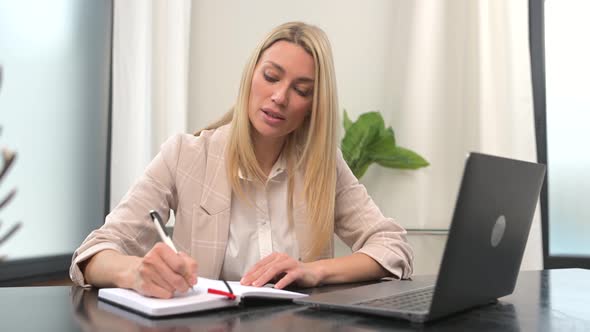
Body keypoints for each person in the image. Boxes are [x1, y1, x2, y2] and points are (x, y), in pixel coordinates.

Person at [70, 21, 413, 299]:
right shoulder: (185, 156)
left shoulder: (323, 165)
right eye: (271, 76)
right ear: (251, 75)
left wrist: (313, 271)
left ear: (313, 106)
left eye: (302, 90)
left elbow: (392, 245)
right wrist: (136, 272)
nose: (280, 97)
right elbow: (93, 254)